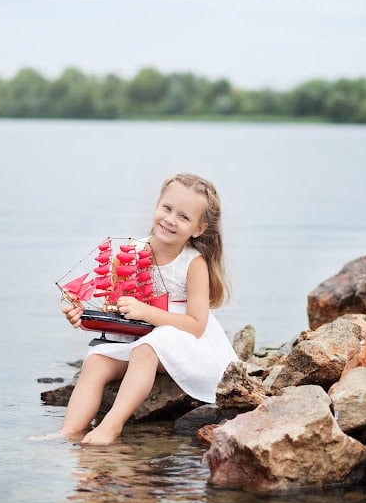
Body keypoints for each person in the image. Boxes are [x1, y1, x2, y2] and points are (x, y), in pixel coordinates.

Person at [56, 173, 237, 445]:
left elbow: (196, 326)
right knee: (95, 362)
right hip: (139, 333)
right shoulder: (131, 252)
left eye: (184, 217)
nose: (170, 219)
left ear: (198, 229)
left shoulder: (193, 263)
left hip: (183, 340)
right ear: (157, 206)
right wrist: (85, 319)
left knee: (148, 348)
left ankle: (111, 426)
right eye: (167, 208)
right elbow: (116, 306)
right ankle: (69, 433)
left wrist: (145, 312)